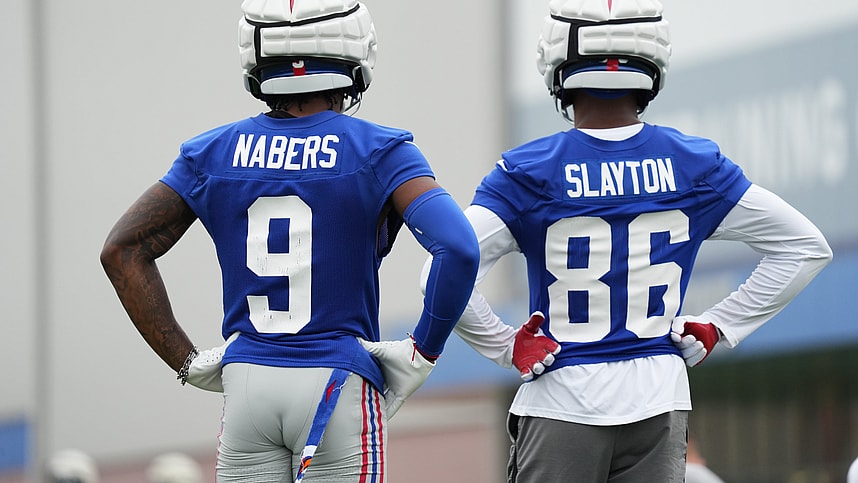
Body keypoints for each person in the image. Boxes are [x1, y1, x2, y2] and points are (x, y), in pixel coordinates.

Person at [430, 0, 833, 481]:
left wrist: (503, 345)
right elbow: (806, 246)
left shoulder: (527, 172)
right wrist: (718, 325)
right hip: (658, 400)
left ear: (558, 65)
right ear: (653, 61)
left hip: (562, 399)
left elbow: (445, 264)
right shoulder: (692, 163)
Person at [99, 0, 479, 481]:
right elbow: (460, 248)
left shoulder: (210, 152)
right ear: (353, 49)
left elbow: (122, 249)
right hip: (337, 383)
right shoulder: (380, 151)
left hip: (247, 387)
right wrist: (422, 352)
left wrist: (186, 361)